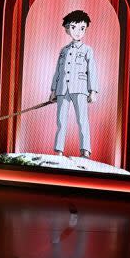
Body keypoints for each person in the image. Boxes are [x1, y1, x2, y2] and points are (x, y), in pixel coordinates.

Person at [49, 9, 97, 159]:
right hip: (63, 89)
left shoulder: (87, 50)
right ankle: (58, 150)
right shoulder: (63, 50)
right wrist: (53, 90)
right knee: (61, 121)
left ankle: (85, 150)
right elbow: (58, 71)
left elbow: (92, 70)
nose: (78, 32)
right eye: (73, 27)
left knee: (82, 119)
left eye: (82, 28)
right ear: (67, 29)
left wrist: (93, 90)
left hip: (80, 89)